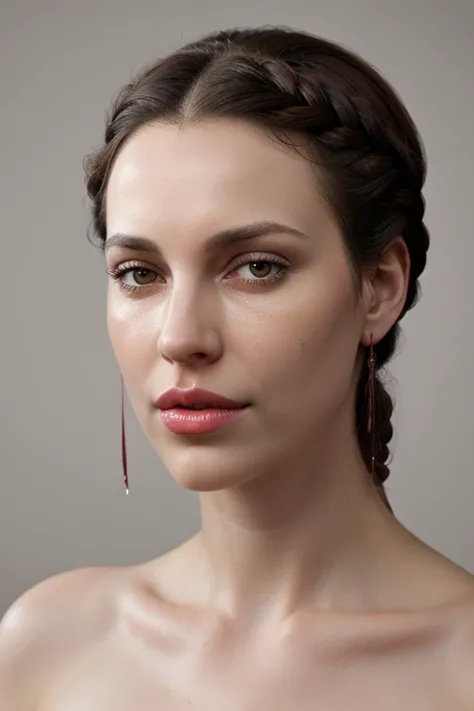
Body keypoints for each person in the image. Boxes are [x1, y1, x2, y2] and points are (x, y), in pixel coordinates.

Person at [1, 24, 473, 710]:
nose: (181, 337)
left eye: (257, 267)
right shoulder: (44, 646)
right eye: (139, 273)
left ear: (379, 285)